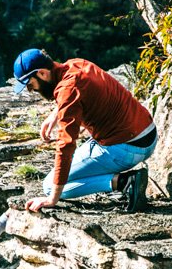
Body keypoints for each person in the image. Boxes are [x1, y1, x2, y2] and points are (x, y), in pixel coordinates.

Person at [11, 48, 158, 214]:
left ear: (43, 74)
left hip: (127, 148)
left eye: (30, 85)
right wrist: (56, 115)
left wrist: (53, 199)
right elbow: (76, 94)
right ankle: (123, 178)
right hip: (148, 135)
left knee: (49, 186)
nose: (31, 90)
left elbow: (66, 146)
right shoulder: (77, 64)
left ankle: (124, 181)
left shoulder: (67, 90)